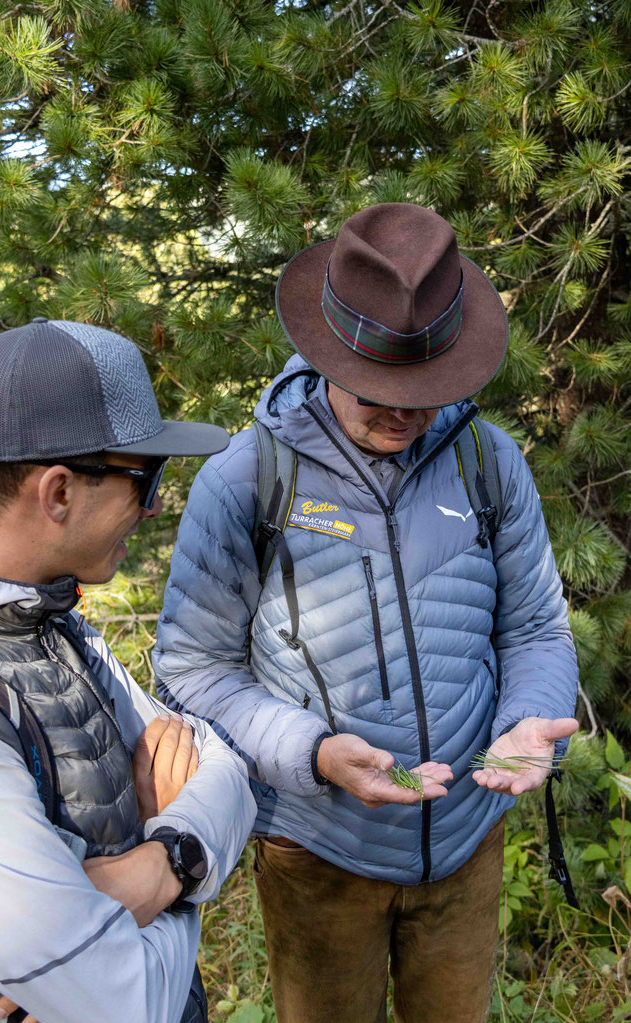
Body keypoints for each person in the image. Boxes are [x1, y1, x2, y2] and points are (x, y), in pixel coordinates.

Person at [153, 203, 579, 1023]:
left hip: (465, 844)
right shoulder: (248, 479)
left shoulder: (489, 462)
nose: (402, 411)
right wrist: (310, 753)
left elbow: (533, 626)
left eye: (425, 389)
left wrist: (530, 716)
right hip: (320, 850)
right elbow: (192, 670)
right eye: (379, 387)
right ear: (327, 351)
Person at [0, 318, 257, 1023]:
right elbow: (128, 1003)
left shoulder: (48, 617)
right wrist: (185, 875)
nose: (152, 506)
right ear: (58, 493)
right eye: (143, 477)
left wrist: (157, 863)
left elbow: (224, 768)